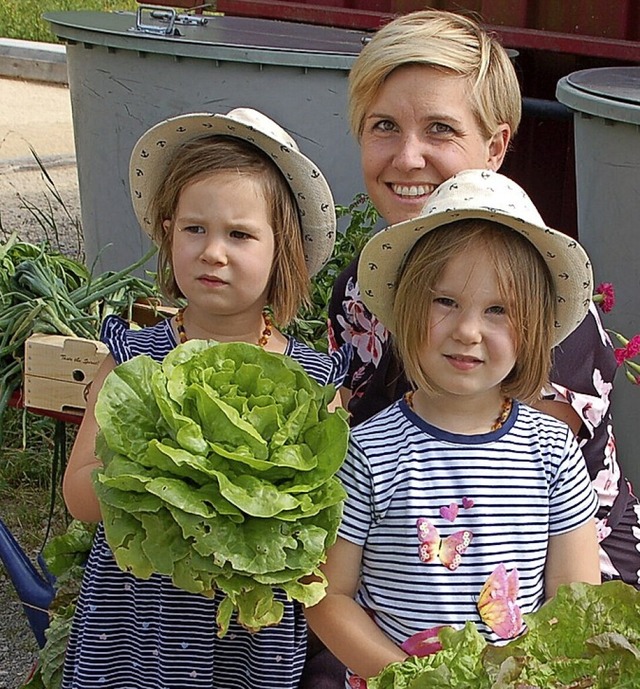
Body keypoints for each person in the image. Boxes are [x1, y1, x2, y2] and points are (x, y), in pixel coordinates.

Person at [327, 8, 640, 589]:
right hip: (408, 570)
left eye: (440, 129)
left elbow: (496, 509)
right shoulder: (358, 292)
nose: (408, 157)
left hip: (551, 587)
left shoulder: (543, 317)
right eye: (384, 126)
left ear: (494, 147)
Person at [61, 107, 350, 689]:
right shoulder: (134, 358)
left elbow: (328, 521)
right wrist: (172, 483)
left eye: (240, 234)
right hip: (137, 618)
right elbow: (79, 493)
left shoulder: (314, 381)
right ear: (168, 232)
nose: (213, 252)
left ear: (282, 250)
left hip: (247, 625)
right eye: (195, 228)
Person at [306, 168, 602, 685]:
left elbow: (577, 604)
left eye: (498, 311)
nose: (467, 331)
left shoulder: (553, 453)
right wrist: (413, 681)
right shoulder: (367, 452)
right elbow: (327, 596)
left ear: (532, 329)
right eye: (445, 302)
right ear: (406, 307)